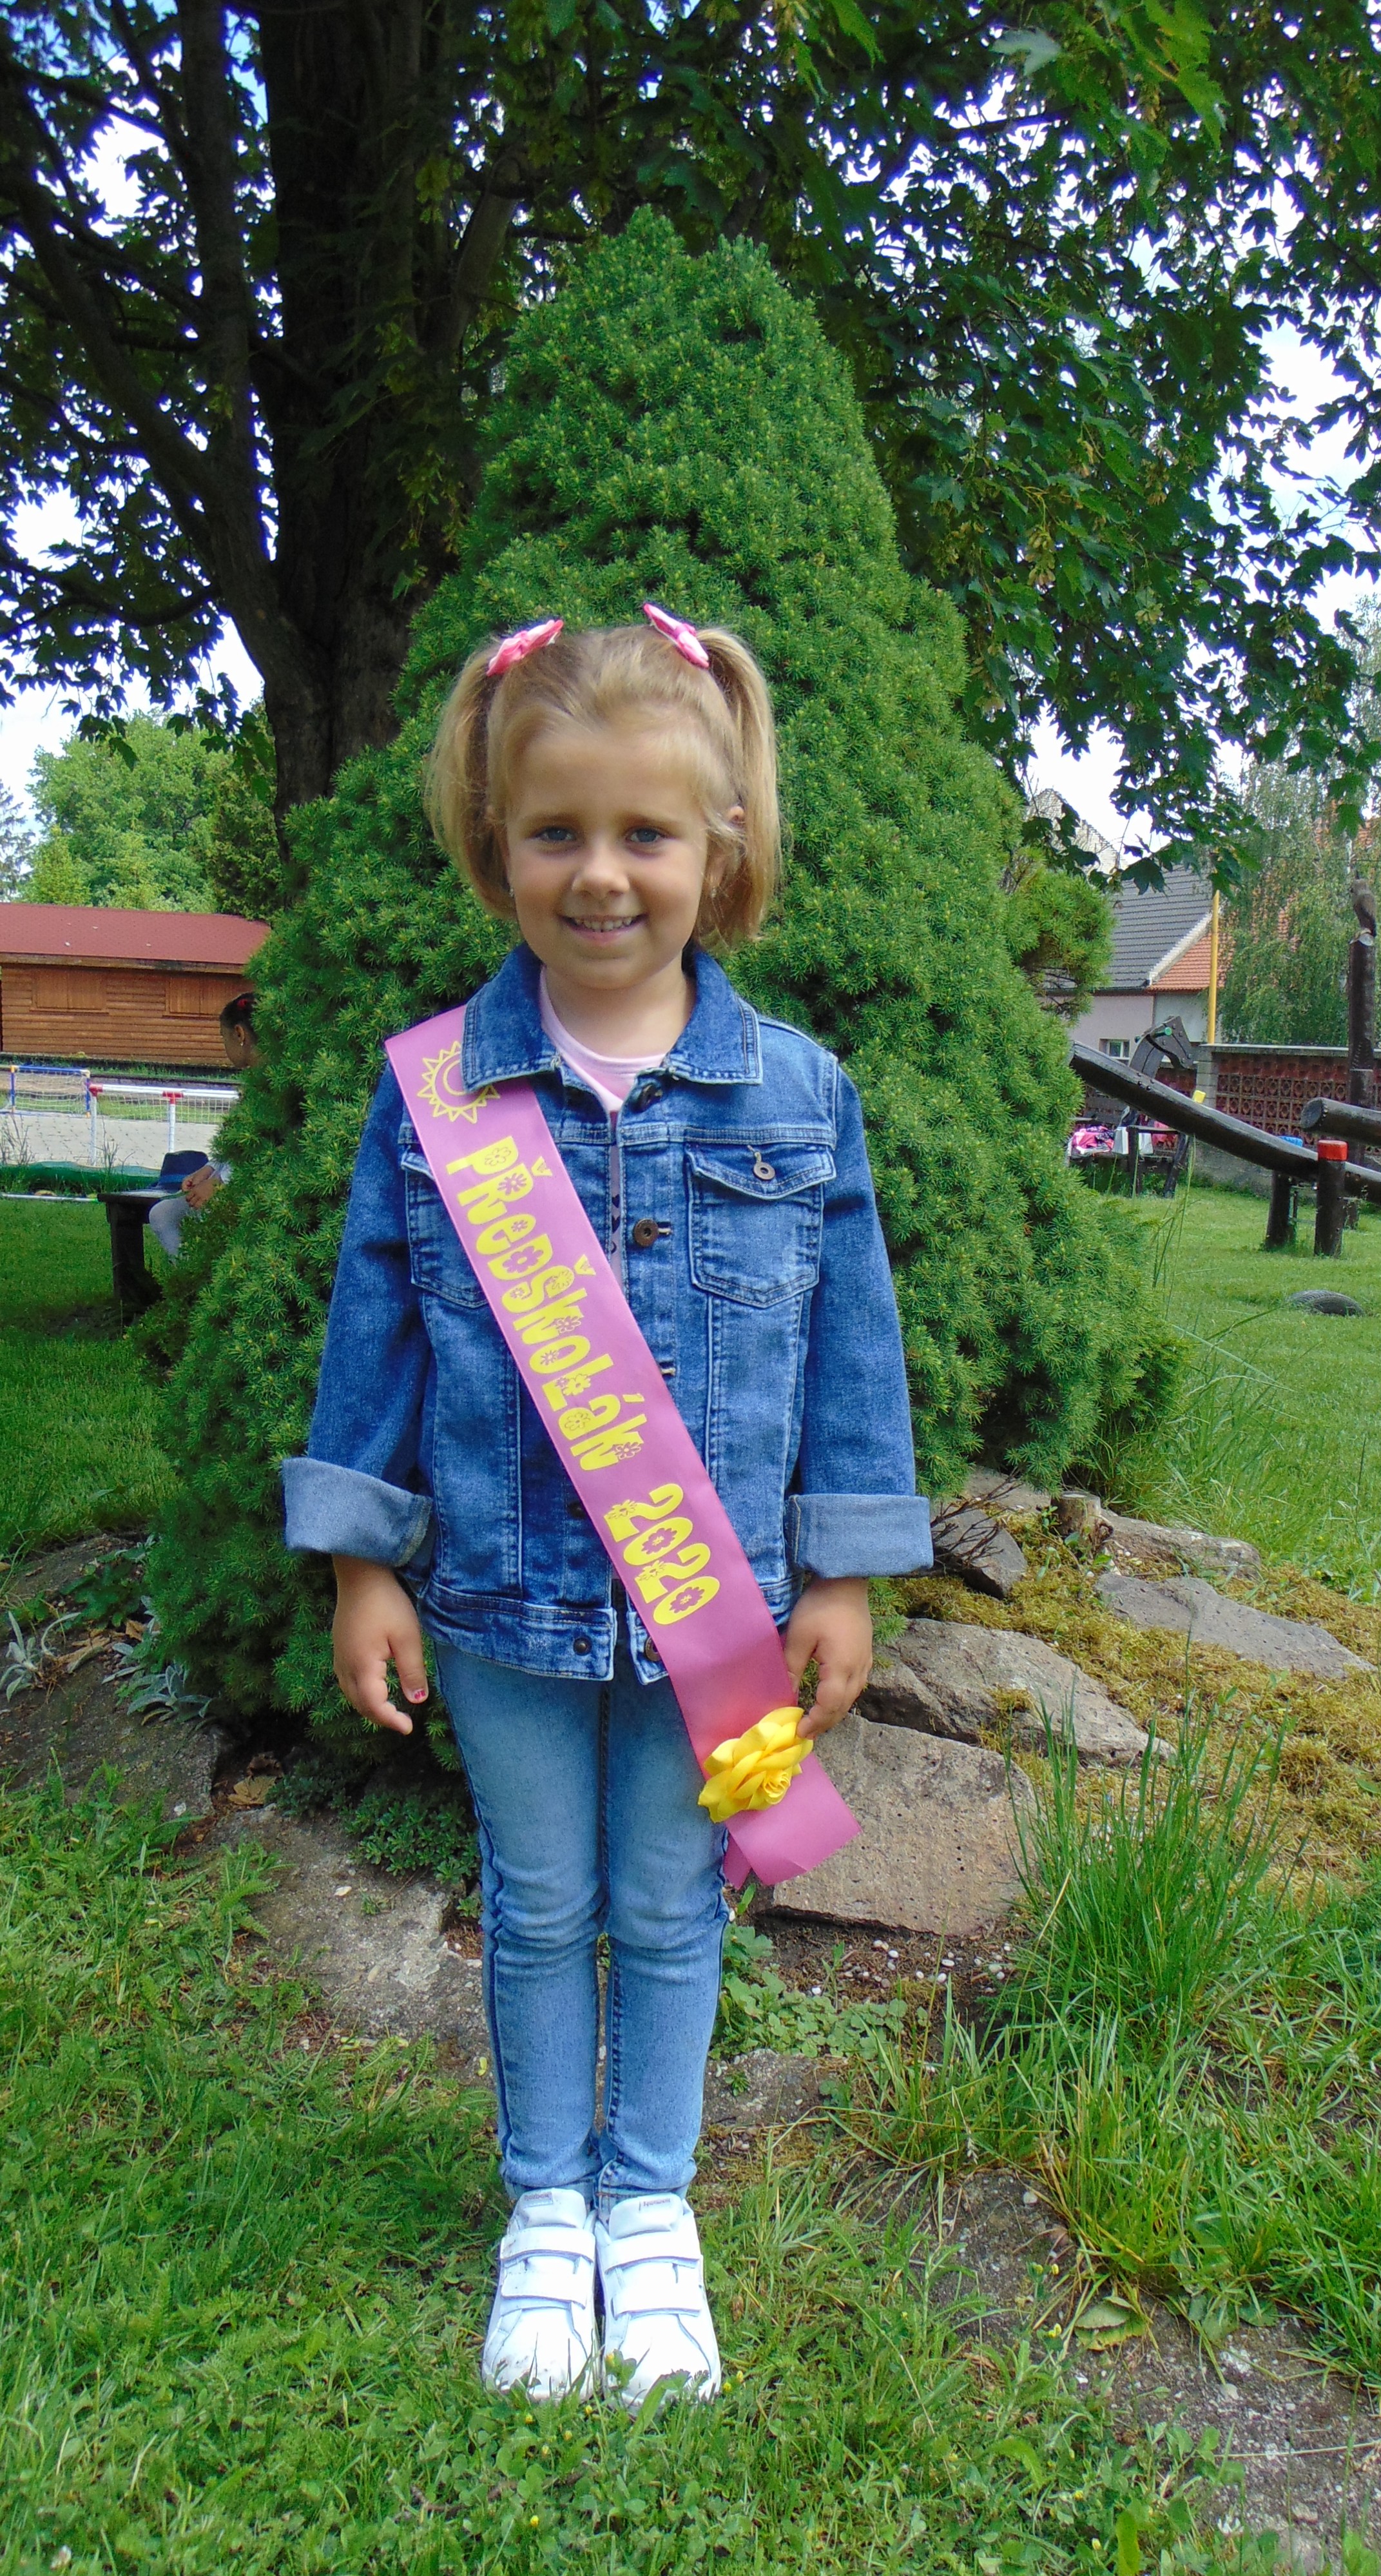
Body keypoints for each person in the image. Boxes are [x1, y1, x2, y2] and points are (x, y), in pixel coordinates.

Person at [282, 612, 930, 2406]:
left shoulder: (800, 1093)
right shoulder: (438, 1090)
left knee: (671, 1902)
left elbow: (853, 1349)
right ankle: (544, 2209)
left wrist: (843, 1572)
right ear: (494, 838)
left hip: (720, 1619)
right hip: (496, 1602)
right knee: (536, 1897)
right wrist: (361, 1561)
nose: (601, 873)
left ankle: (650, 2205)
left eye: (646, 832)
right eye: (556, 830)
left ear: (721, 842)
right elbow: (375, 1326)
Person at [148, 991, 259, 1262]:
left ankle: (210, 1280)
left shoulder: (272, 1089)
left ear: (239, 1034)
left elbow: (266, 1151)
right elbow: (235, 1143)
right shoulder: (253, 1084)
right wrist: (209, 1169)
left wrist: (219, 1184)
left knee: (193, 1220)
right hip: (227, 1183)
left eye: (223, 1038)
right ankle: (191, 1278)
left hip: (250, 1195)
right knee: (164, 1214)